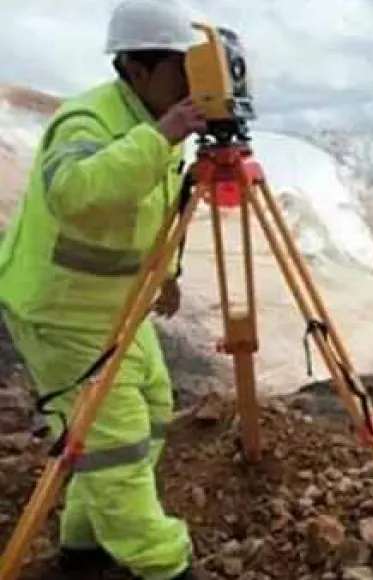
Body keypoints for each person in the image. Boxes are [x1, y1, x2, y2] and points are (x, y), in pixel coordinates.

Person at [0, 0, 208, 578]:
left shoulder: (157, 121)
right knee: (115, 444)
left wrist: (165, 276)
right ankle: (163, 564)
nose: (193, 82)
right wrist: (160, 137)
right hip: (62, 310)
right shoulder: (87, 120)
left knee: (153, 409)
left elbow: (151, 210)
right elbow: (77, 192)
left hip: (116, 308)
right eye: (180, 67)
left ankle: (85, 548)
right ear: (136, 69)